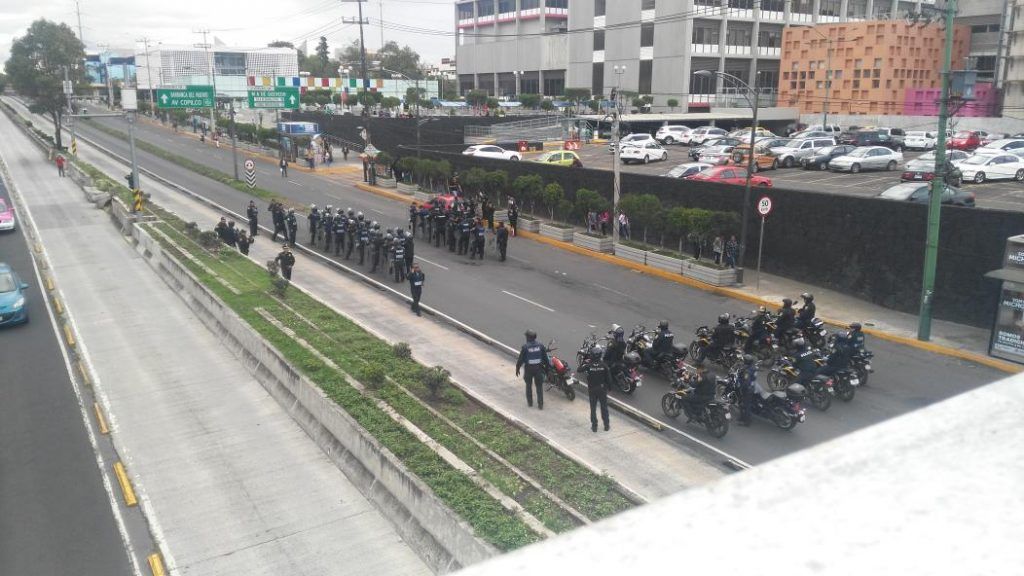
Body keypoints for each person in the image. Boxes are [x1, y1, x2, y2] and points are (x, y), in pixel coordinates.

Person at [515, 330, 549, 410]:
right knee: (539, 387)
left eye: (526, 336)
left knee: (528, 386)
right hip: (538, 369)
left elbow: (520, 360)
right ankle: (540, 405)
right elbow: (546, 359)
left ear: (529, 338)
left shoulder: (525, 347)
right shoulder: (541, 346)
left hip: (529, 370)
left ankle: (530, 403)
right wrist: (547, 369)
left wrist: (517, 368)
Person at [582, 345, 612, 432]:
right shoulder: (604, 365)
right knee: (604, 408)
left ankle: (594, 426)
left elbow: (579, 369)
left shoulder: (589, 365)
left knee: (593, 408)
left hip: (592, 389)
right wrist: (609, 387)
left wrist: (586, 363)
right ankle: (606, 425)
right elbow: (609, 378)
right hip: (602, 389)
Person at [736, 354, 760, 426]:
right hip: (752, 387)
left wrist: (741, 388)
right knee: (742, 404)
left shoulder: (747, 371)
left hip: (747, 389)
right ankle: (742, 417)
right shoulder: (753, 368)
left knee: (746, 405)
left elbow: (746, 382)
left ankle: (747, 422)